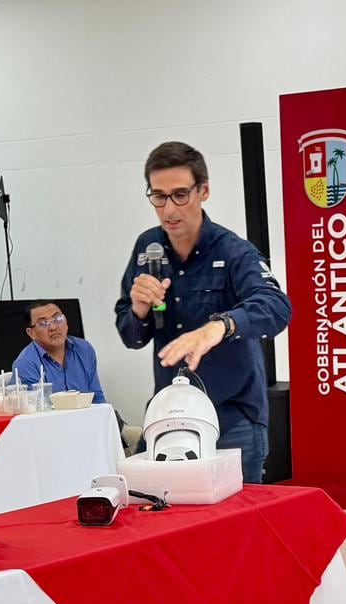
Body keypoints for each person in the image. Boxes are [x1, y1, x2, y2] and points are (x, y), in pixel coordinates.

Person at [115, 141, 291, 483]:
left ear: (203, 191)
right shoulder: (147, 247)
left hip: (232, 415)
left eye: (180, 194)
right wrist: (137, 311)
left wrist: (219, 327)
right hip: (170, 415)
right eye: (159, 196)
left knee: (236, 526)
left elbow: (276, 307)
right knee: (170, 519)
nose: (169, 209)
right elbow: (131, 337)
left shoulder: (233, 250)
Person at [12, 301, 108, 403]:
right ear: (31, 333)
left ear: (66, 322)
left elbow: (97, 397)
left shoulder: (84, 349)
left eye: (57, 319)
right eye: (43, 323)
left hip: (88, 416)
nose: (53, 327)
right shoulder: (25, 363)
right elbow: (36, 412)